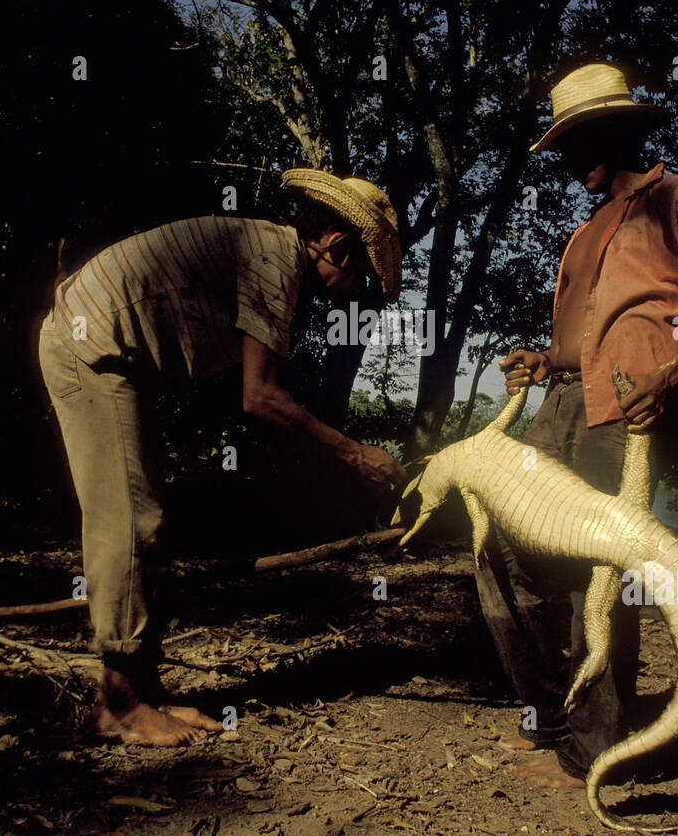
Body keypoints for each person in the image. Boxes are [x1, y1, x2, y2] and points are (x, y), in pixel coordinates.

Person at [38, 169, 408, 746]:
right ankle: (118, 704)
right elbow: (259, 398)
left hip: (112, 355)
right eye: (359, 272)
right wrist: (354, 453)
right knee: (131, 519)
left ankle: (144, 691)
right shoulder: (272, 261)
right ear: (335, 247)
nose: (355, 289)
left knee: (148, 514)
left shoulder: (268, 253)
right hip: (89, 350)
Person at [474, 62, 678, 788]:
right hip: (560, 406)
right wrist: (542, 359)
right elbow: (578, 340)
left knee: (596, 573)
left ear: (623, 131)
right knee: (502, 546)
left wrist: (674, 370)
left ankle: (593, 746)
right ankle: (545, 711)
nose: (574, 158)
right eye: (566, 143)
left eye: (584, 138)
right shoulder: (581, 233)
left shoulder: (677, 197)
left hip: (626, 408)